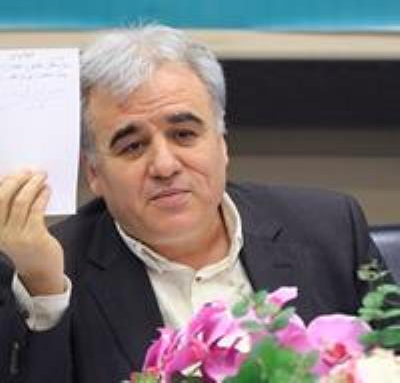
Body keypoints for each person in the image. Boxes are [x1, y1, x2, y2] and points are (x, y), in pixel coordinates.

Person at [0, 24, 383, 383]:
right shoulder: (49, 273)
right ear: (94, 173)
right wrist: (43, 288)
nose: (165, 166)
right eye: (132, 146)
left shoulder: (330, 230)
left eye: (183, 134)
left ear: (222, 144)